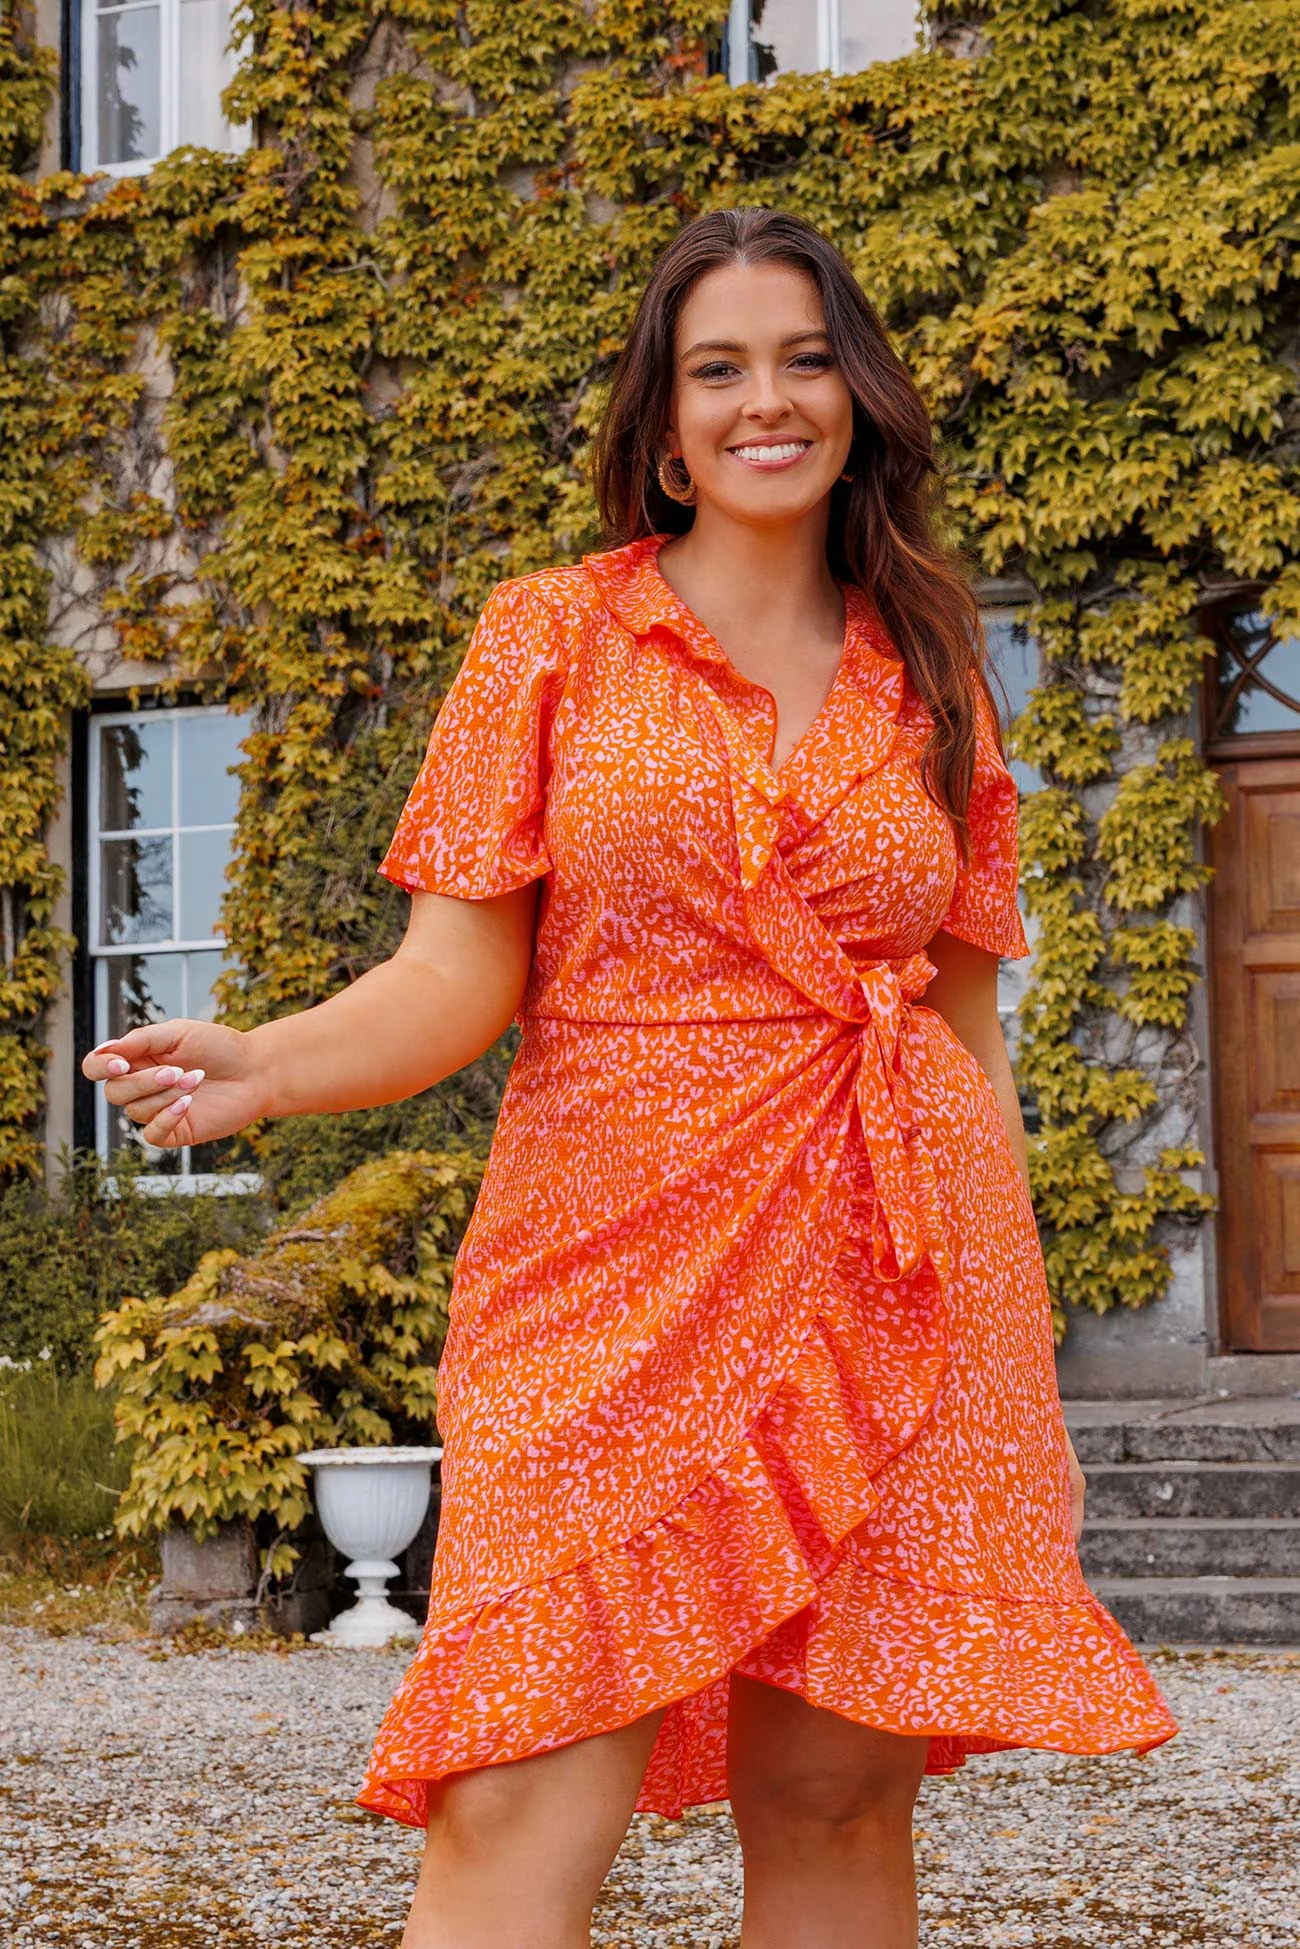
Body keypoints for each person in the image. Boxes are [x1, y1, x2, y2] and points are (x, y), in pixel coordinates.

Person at [84, 206, 1177, 1949]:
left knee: (835, 1798)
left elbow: (964, 1031)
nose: (767, 401)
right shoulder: (552, 636)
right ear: (666, 427)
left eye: (806, 361)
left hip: (899, 1273)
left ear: (860, 401)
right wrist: (266, 1065)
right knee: (513, 1788)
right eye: (718, 368)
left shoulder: (934, 669)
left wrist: (1007, 1341)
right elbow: (456, 975)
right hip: (603, 1268)